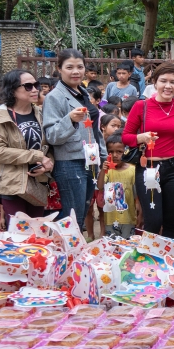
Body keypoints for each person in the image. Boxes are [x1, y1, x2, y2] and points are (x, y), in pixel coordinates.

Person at [122, 62, 174, 239]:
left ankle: (169, 262)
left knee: (171, 220)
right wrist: (141, 137)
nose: (168, 86)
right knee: (153, 220)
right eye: (163, 81)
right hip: (149, 168)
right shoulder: (141, 106)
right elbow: (125, 137)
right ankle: (149, 261)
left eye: (173, 82)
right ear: (155, 82)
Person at [43, 49, 106, 230]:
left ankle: (72, 254)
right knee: (72, 219)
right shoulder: (54, 97)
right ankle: (64, 255)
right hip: (70, 162)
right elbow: (52, 136)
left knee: (82, 212)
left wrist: (102, 154)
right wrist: (69, 119)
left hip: (90, 160)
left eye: (80, 67)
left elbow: (94, 127)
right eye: (69, 67)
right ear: (59, 69)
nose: (75, 71)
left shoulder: (83, 93)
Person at [0, 70, 54, 221]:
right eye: (28, 86)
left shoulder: (40, 113)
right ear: (13, 90)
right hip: (12, 184)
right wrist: (37, 156)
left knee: (36, 234)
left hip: (38, 183)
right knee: (19, 236)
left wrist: (48, 164)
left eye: (35, 85)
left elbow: (48, 147)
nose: (35, 89)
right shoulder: (0, 116)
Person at [97, 134, 141, 238]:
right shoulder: (107, 170)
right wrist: (103, 170)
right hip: (110, 218)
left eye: (119, 152)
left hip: (128, 218)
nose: (114, 155)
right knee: (112, 247)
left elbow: (137, 195)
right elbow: (100, 186)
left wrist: (140, 214)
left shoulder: (132, 170)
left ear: (126, 151)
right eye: (110, 152)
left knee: (128, 246)